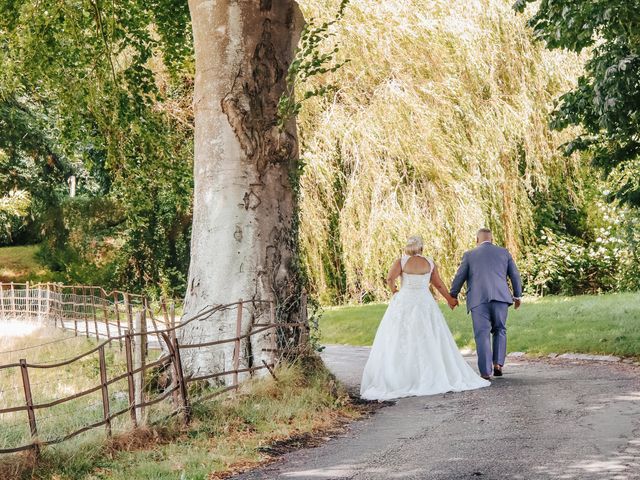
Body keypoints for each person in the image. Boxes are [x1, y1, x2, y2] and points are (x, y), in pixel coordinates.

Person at [360, 235, 490, 401]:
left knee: (399, 337)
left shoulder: (400, 262)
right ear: (421, 248)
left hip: (404, 302)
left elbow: (390, 278)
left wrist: (394, 291)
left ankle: (401, 377)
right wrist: (450, 299)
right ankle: (433, 374)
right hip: (424, 303)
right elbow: (439, 284)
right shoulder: (429, 262)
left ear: (408, 247)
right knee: (429, 336)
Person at [449, 228, 523, 379]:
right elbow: (515, 275)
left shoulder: (469, 255)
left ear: (477, 240)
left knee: (481, 334)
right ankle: (498, 364)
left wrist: (453, 295)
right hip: (501, 298)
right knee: (500, 330)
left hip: (478, 299)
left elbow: (460, 276)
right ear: (492, 239)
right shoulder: (504, 252)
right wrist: (517, 296)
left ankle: (485, 372)